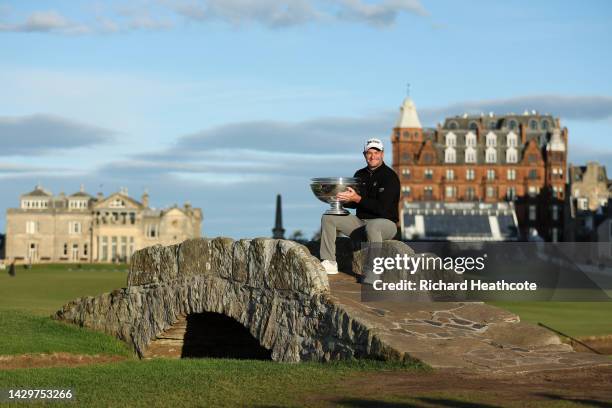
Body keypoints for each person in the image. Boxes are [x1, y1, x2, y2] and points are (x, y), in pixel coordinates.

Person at [320, 138, 400, 275]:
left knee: (373, 226)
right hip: (361, 224)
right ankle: (330, 262)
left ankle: (373, 272)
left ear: (382, 154)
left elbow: (383, 209)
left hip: (386, 224)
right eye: (369, 152)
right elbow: (354, 201)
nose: (373, 156)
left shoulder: (390, 177)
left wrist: (357, 198)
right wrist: (340, 198)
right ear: (364, 155)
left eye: (376, 152)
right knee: (329, 217)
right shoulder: (359, 175)